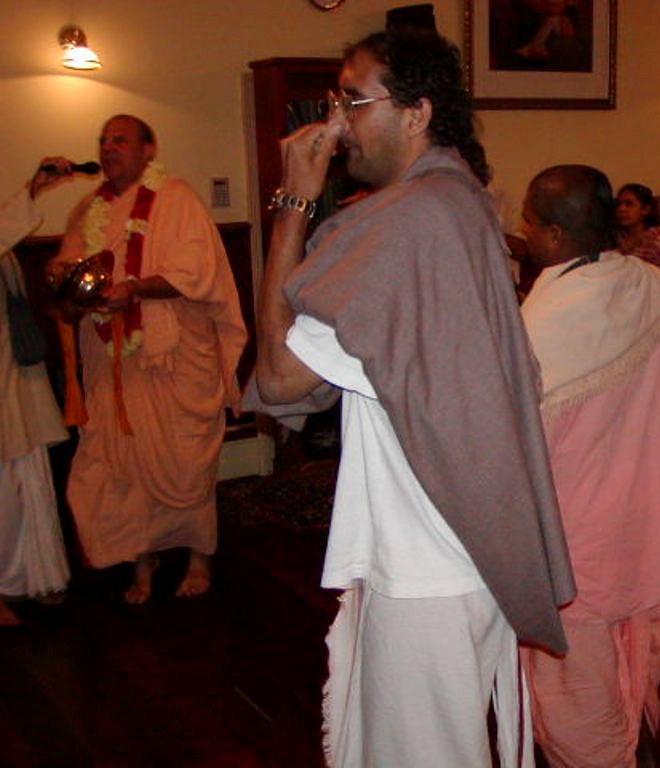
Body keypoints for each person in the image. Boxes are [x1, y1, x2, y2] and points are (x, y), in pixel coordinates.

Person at [249, 30, 575, 767]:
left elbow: (279, 375)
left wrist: (293, 201)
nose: (336, 124)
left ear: (417, 112)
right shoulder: (452, 202)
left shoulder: (410, 223)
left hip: (427, 560)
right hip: (459, 547)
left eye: (353, 101)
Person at [519, 165, 660, 767]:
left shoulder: (539, 321)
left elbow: (519, 453)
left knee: (578, 696)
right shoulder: (652, 290)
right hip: (644, 525)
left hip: (574, 543)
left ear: (555, 235)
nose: (523, 231)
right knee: (635, 666)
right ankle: (636, 747)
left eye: (529, 221)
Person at [52, 115, 246, 604]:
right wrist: (63, 280)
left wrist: (135, 289)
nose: (109, 147)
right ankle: (142, 559)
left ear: (148, 150)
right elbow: (71, 278)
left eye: (120, 140)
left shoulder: (177, 198)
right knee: (125, 462)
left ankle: (199, 556)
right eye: (104, 140)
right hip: (114, 361)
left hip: (173, 356)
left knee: (185, 460)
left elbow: (195, 273)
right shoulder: (88, 210)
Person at [0, 159, 75, 626]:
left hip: (12, 372)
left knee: (27, 478)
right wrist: (33, 189)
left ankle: (35, 576)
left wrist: (35, 187)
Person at [614, 182, 660, 274]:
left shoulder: (656, 238)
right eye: (618, 204)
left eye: (629, 204)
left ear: (645, 210)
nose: (621, 209)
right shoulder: (615, 237)